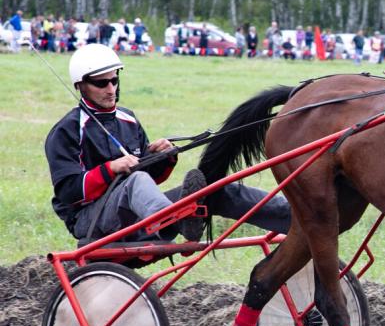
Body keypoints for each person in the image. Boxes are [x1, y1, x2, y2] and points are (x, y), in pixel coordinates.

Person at [45, 44, 290, 243]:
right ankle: (176, 220)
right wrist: (112, 168)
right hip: (91, 221)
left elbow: (149, 178)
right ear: (80, 86)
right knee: (135, 181)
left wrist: (163, 158)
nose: (111, 89)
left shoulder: (128, 119)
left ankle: (297, 217)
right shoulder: (67, 130)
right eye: (101, 83)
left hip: (139, 215)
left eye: (114, 81)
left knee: (220, 189)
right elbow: (68, 192)